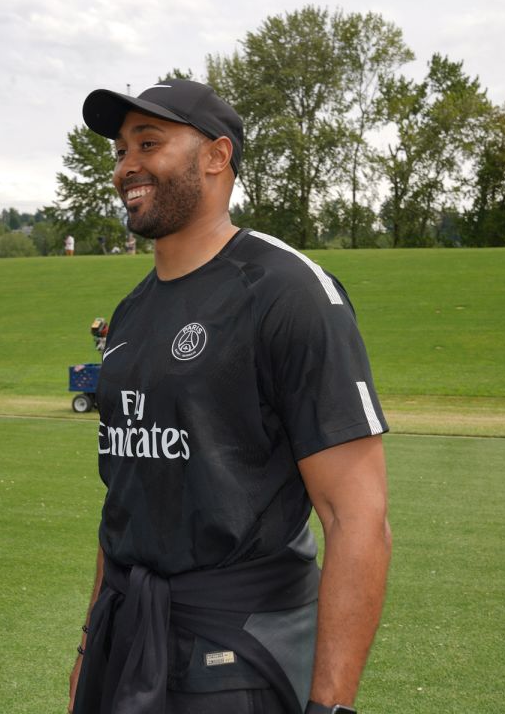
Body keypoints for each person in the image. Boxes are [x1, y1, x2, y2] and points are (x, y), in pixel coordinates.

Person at [68, 80, 391, 714]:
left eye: (149, 142)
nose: (125, 165)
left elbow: (357, 518)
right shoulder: (131, 312)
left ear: (217, 157)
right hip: (126, 631)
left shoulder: (287, 292)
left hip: (235, 648)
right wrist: (90, 646)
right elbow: (126, 501)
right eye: (119, 150)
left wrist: (331, 707)